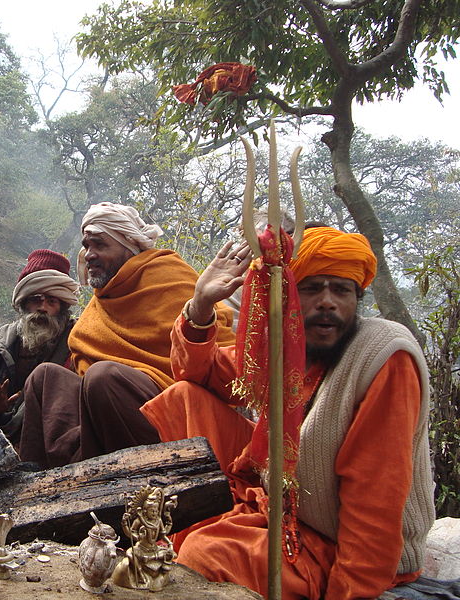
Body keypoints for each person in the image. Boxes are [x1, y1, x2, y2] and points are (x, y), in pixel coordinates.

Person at [141, 226, 435, 599]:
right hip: (281, 503)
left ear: (357, 298)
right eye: (312, 288)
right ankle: (200, 516)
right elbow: (198, 373)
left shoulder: (384, 357)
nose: (327, 302)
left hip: (335, 543)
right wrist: (200, 305)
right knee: (183, 397)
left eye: (341, 290)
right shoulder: (292, 340)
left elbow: (376, 498)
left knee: (205, 553)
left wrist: (352, 593)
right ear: (290, 295)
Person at [18, 202, 235, 467]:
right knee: (44, 377)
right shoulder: (103, 300)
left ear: (128, 246)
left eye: (100, 245)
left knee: (104, 377)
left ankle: (136, 481)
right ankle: (37, 485)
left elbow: (220, 359)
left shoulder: (167, 275)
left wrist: (201, 310)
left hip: (175, 420)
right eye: (87, 246)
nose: (89, 255)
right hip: (105, 417)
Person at [0, 249, 79, 443]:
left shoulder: (78, 342)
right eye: (36, 300)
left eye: (51, 301)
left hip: (52, 438)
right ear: (23, 303)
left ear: (62, 307)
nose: (42, 308)